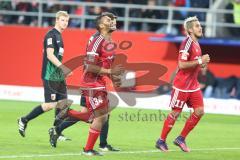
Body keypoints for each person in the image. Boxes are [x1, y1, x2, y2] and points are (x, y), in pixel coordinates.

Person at [49, 13, 124, 156]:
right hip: (91, 83)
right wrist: (110, 71)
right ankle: (89, 148)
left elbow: (107, 66)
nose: (113, 21)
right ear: (101, 25)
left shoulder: (109, 43)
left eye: (114, 19)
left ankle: (67, 115)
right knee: (100, 116)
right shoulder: (97, 40)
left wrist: (114, 78)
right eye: (109, 20)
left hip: (99, 82)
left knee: (99, 116)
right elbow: (89, 66)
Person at [155, 16, 210, 152]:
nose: (200, 27)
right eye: (197, 26)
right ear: (190, 30)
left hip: (193, 85)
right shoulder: (187, 43)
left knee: (199, 111)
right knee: (175, 113)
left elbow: (193, 64)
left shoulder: (196, 44)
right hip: (182, 85)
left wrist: (201, 64)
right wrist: (199, 61)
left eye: (200, 25)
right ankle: (161, 140)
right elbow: (181, 64)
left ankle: (181, 138)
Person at [17, 11, 72, 138]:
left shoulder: (59, 36)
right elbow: (50, 55)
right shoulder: (51, 35)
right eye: (63, 20)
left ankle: (56, 131)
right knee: (50, 105)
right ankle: (24, 120)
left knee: (63, 103)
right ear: (57, 20)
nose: (65, 23)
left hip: (58, 75)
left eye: (67, 21)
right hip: (50, 75)